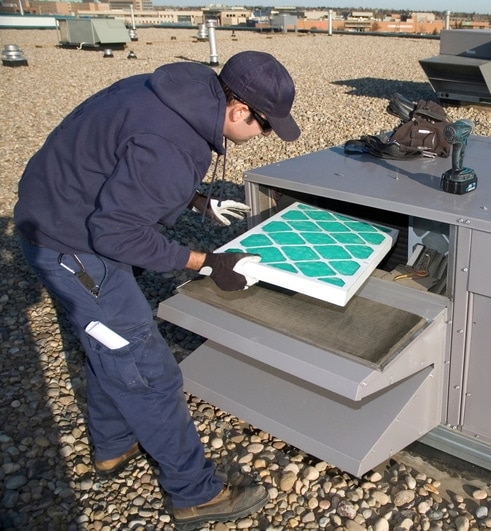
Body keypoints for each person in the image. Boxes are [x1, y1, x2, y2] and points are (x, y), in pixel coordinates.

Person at [13, 50, 300, 528]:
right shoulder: (172, 145)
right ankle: (195, 494)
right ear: (237, 110)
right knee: (148, 371)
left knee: (109, 346)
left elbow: (122, 159)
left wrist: (192, 198)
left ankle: (112, 445)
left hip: (53, 212)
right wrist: (208, 262)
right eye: (266, 126)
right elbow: (117, 235)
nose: (264, 137)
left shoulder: (165, 90)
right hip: (76, 250)